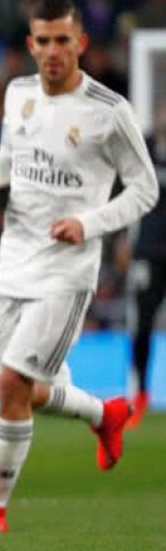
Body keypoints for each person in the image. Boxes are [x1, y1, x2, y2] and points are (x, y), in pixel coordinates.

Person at [0, 0, 157, 535]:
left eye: (63, 40)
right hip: (14, 261)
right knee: (15, 389)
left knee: (16, 382)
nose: (52, 51)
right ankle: (104, 414)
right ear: (30, 45)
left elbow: (145, 188)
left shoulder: (108, 110)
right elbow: (9, 161)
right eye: (43, 41)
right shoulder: (19, 95)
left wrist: (88, 224)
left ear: (81, 43)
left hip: (66, 271)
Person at [126, 114, 166, 426]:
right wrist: (120, 240)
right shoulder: (144, 149)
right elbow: (120, 190)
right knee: (142, 325)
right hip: (149, 253)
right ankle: (139, 393)